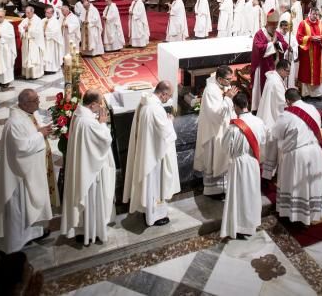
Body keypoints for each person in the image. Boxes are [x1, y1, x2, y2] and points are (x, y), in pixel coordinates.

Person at [0, 89, 53, 252]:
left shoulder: (26, 115)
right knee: (18, 211)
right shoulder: (14, 123)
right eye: (35, 100)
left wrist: (39, 132)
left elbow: (29, 136)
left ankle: (32, 234)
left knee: (27, 208)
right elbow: (21, 148)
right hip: (18, 177)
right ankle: (11, 245)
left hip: (28, 173)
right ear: (24, 104)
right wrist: (40, 135)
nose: (39, 102)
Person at [61, 90, 115, 246]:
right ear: (93, 105)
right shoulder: (88, 122)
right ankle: (93, 232)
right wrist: (103, 123)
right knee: (91, 201)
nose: (102, 107)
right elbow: (104, 140)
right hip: (91, 173)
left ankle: (83, 231)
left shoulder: (79, 114)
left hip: (83, 166)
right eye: (100, 104)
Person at [123, 81, 180, 226]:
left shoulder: (144, 102)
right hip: (153, 157)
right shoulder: (155, 109)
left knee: (147, 186)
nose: (168, 99)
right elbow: (166, 134)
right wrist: (170, 121)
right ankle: (154, 216)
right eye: (169, 96)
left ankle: (146, 211)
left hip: (146, 152)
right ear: (163, 94)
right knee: (153, 185)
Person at [272, 88, 322, 225]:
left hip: (299, 155)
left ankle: (296, 215)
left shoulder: (287, 114)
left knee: (298, 186)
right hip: (315, 151)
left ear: (288, 101)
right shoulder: (313, 109)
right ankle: (312, 213)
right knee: (311, 185)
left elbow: (276, 133)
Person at [220, 92, 266, 240]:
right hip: (253, 162)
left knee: (238, 195)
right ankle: (250, 224)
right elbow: (264, 141)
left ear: (236, 107)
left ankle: (238, 225)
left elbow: (225, 147)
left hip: (239, 163)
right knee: (251, 193)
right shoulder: (259, 121)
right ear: (247, 104)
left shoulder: (234, 127)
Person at [194, 65, 238, 197]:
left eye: (231, 79)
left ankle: (222, 188)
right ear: (219, 78)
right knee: (214, 159)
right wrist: (228, 98)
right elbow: (216, 113)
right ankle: (212, 190)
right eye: (228, 79)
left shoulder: (221, 85)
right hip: (213, 131)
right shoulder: (211, 91)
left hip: (222, 129)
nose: (230, 82)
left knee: (222, 158)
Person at [257, 60, 290, 180]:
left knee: (270, 149)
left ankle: (269, 174)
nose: (288, 74)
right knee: (272, 149)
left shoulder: (273, 77)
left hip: (269, 113)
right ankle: (269, 175)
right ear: (281, 69)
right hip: (273, 117)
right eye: (287, 71)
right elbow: (282, 102)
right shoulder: (275, 82)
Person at [251, 9, 288, 111]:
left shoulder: (277, 33)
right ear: (267, 25)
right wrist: (272, 44)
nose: (274, 29)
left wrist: (278, 44)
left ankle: (274, 105)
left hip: (275, 65)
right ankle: (260, 107)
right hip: (263, 65)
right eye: (273, 27)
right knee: (261, 87)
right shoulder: (259, 34)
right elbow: (258, 48)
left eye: (276, 27)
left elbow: (284, 44)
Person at [296, 6, 322, 98]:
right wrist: (310, 38)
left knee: (317, 72)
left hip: (318, 51)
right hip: (307, 52)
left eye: (317, 14)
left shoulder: (321, 23)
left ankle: (317, 93)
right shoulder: (303, 23)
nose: (315, 16)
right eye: (314, 14)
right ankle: (305, 93)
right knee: (306, 72)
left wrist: (321, 38)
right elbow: (299, 37)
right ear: (310, 13)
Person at [19, 6, 45, 80]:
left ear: (32, 12)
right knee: (27, 58)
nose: (27, 14)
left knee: (33, 58)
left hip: (34, 42)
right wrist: (23, 30)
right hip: (26, 42)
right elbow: (20, 27)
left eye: (28, 13)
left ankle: (35, 74)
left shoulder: (38, 20)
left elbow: (38, 32)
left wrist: (29, 29)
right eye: (26, 13)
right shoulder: (25, 20)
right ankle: (27, 74)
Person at [42, 5, 64, 73]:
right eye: (46, 12)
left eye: (48, 12)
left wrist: (46, 34)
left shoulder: (55, 21)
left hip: (52, 42)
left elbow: (55, 32)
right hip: (44, 41)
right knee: (45, 54)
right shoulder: (43, 20)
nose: (47, 14)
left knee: (51, 55)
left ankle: (52, 69)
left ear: (52, 13)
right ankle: (45, 68)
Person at [277, 19, 298, 85]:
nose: (285, 29)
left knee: (289, 76)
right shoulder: (277, 36)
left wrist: (292, 49)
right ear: (280, 27)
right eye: (284, 27)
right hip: (281, 59)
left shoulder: (291, 37)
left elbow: (296, 46)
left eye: (287, 27)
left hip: (289, 59)